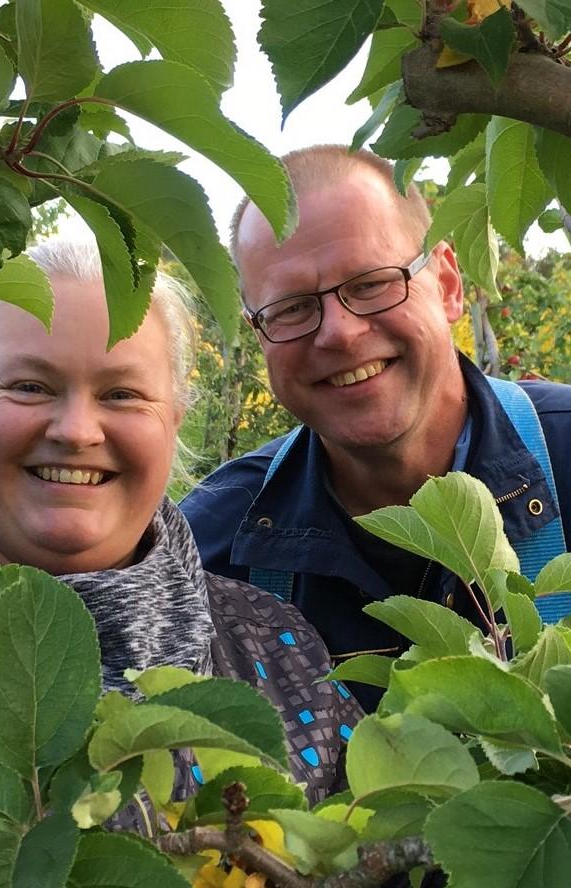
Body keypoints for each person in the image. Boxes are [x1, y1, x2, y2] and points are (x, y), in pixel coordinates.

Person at [0, 240, 363, 862]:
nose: (75, 430)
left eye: (122, 394)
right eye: (28, 385)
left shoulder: (275, 648)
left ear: (175, 416)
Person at [181, 144, 571, 712]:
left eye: (370, 283)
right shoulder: (211, 554)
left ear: (447, 285)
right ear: (259, 334)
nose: (338, 333)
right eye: (291, 307)